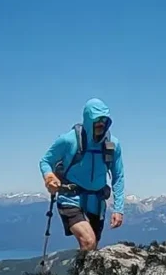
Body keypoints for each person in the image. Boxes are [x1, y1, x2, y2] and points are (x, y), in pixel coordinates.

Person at [39, 98, 124, 251]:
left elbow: (118, 176)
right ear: (88, 119)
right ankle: (82, 274)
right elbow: (46, 161)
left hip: (96, 202)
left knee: (92, 248)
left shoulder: (112, 145)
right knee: (88, 241)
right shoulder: (68, 140)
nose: (101, 124)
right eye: (97, 120)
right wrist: (49, 177)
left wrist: (118, 209)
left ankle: (80, 274)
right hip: (70, 198)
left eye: (104, 120)